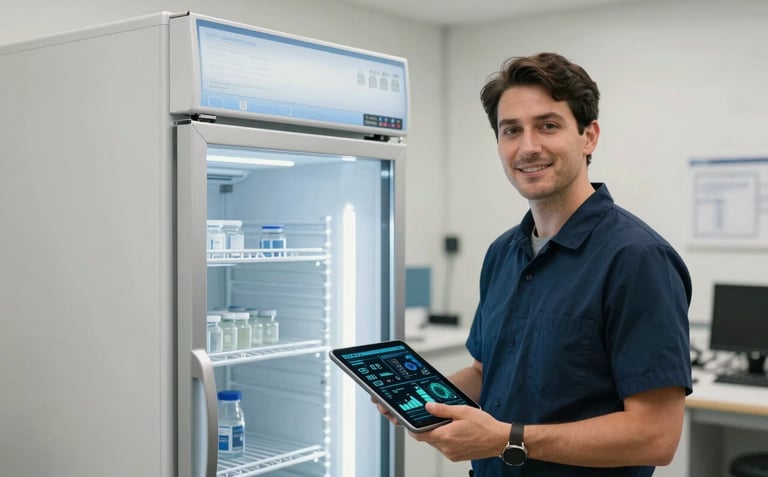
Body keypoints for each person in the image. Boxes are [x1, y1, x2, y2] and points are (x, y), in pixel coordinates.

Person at [377, 52, 693, 476]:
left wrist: (507, 439)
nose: (528, 147)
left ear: (589, 136)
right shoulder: (502, 254)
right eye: (511, 131)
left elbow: (655, 435)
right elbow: (485, 372)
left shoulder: (636, 259)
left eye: (548, 125)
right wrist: (418, 398)